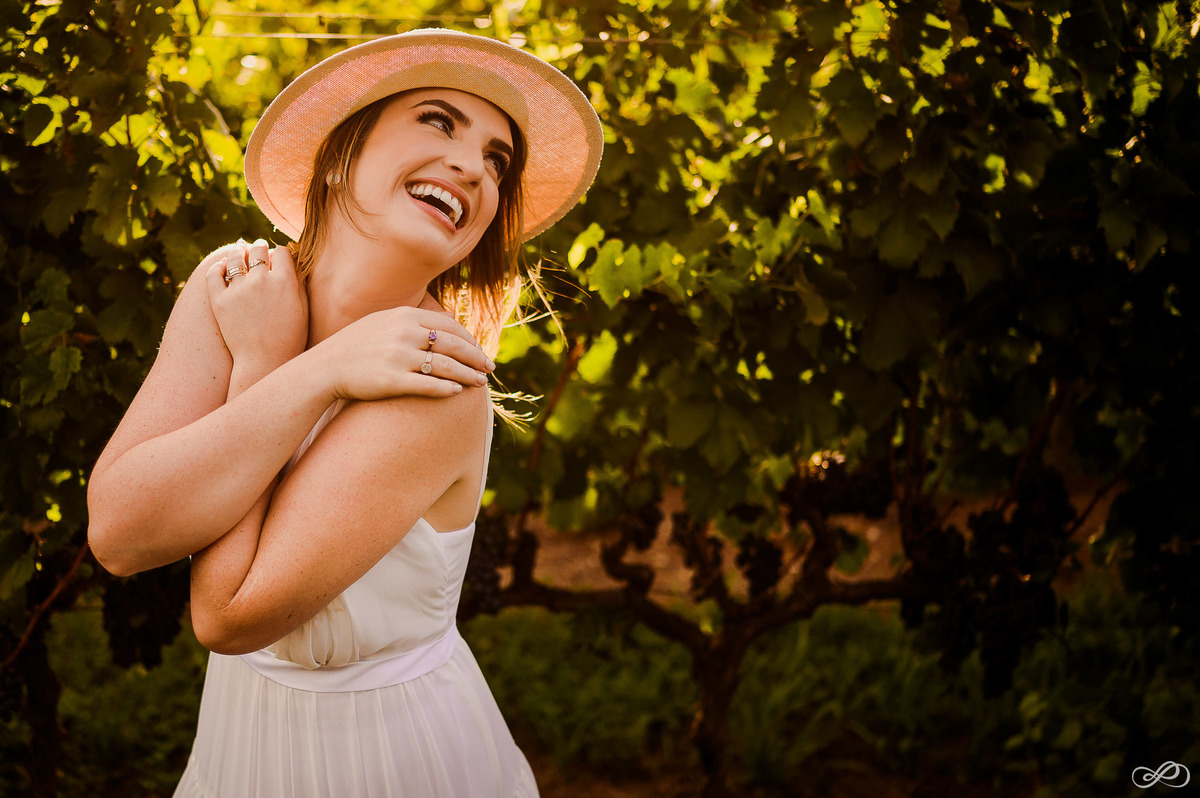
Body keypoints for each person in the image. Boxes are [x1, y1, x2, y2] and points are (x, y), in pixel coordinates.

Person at [85, 29, 603, 797]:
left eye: (498, 161)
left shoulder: (439, 379)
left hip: (391, 753)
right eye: (438, 120)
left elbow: (227, 618)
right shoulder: (235, 282)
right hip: (242, 729)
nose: (473, 166)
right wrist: (309, 369)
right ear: (338, 158)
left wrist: (273, 366)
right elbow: (120, 536)